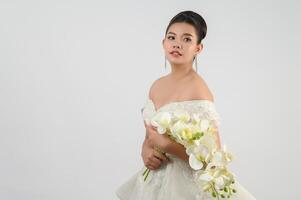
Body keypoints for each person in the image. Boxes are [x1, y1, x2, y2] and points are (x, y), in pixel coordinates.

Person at [116, 10, 256, 200]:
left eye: (187, 39)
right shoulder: (156, 85)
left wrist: (167, 145)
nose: (177, 44)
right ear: (163, 43)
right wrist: (145, 150)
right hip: (154, 183)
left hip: (184, 189)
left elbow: (211, 161)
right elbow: (149, 135)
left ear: (198, 48)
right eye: (171, 37)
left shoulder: (199, 90)